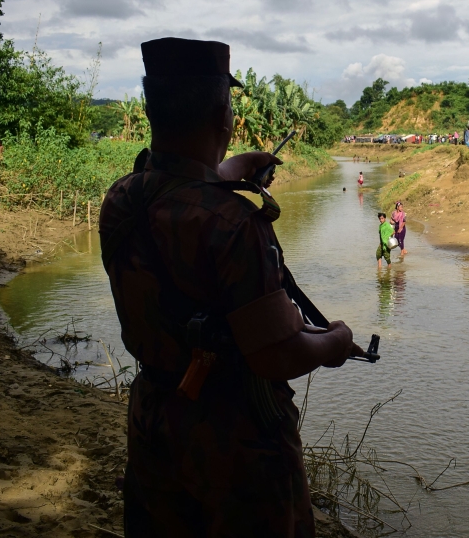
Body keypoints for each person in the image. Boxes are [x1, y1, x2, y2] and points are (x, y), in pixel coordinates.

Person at [99, 37, 365, 537]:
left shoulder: (122, 199)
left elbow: (175, 195)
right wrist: (335, 342)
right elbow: (276, 355)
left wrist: (226, 171)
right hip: (235, 436)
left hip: (155, 416)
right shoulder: (234, 223)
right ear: (224, 116)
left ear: (153, 112)